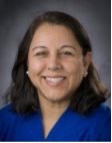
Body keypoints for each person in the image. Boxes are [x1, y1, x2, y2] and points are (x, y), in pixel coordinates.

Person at [0, 11, 110, 141]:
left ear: (85, 63)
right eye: (41, 53)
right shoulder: (4, 121)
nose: (53, 65)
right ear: (27, 62)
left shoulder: (106, 126)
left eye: (66, 53)